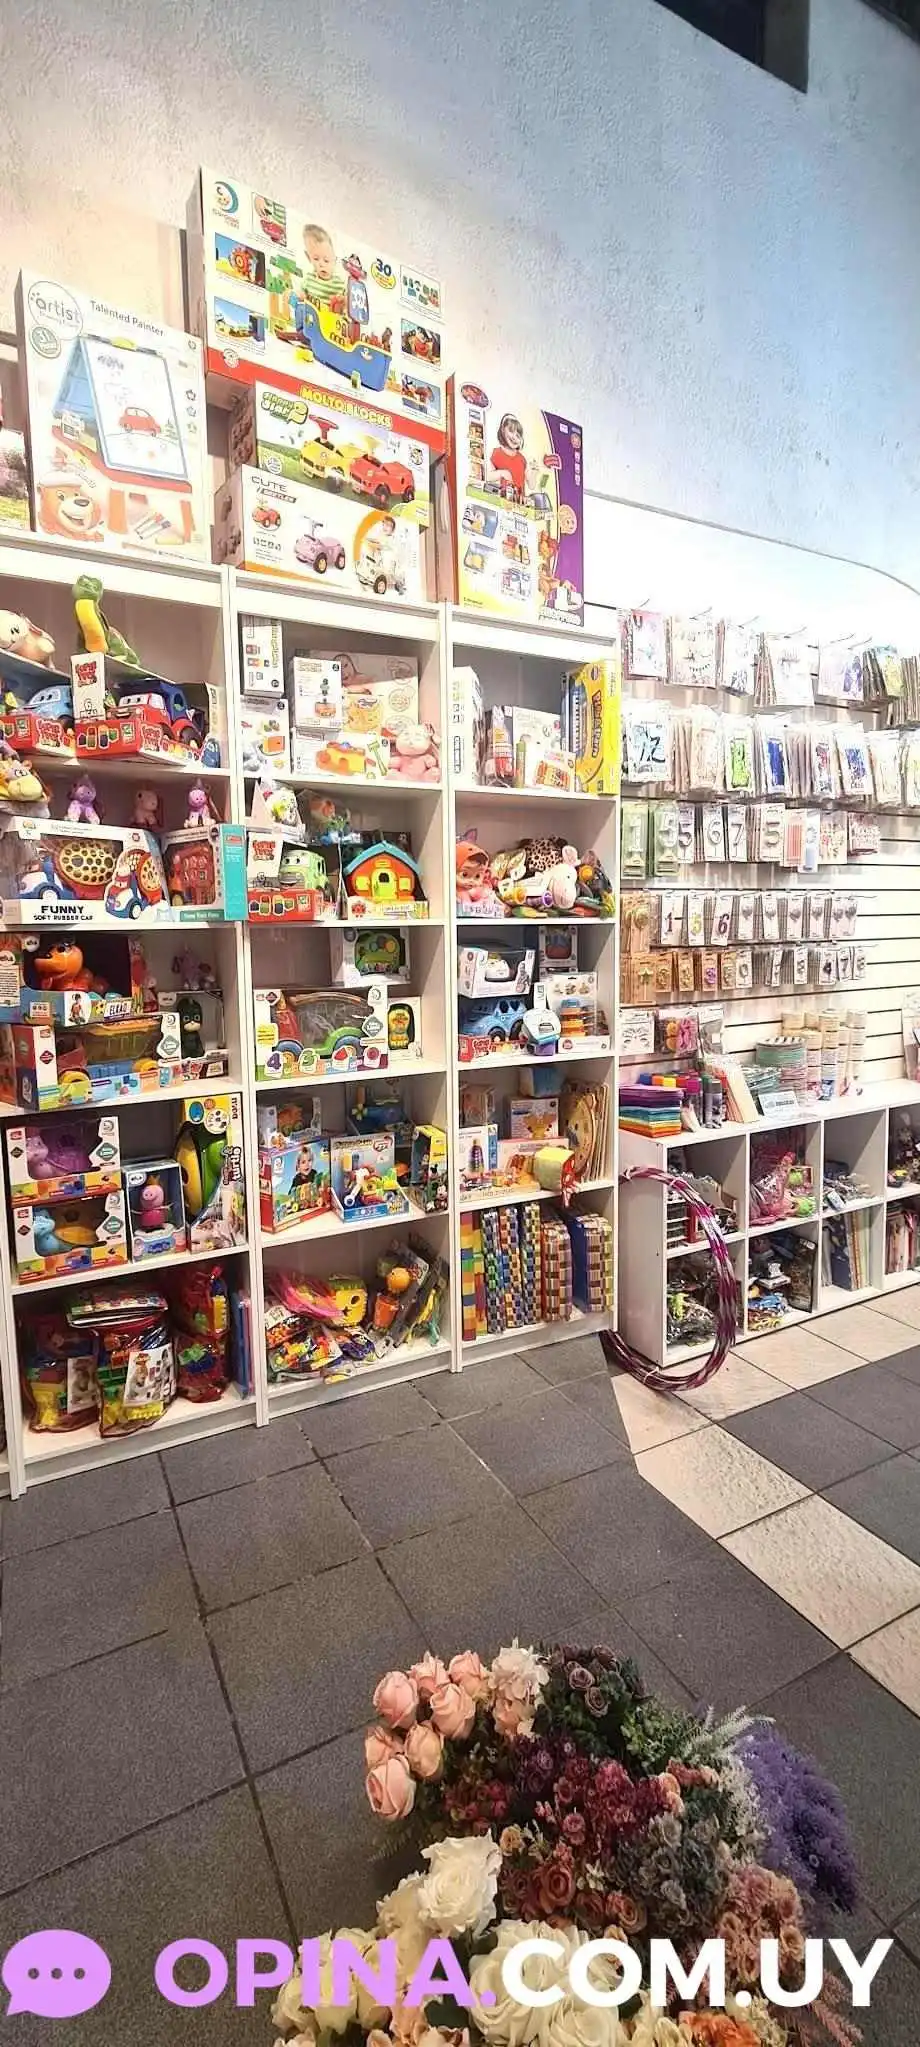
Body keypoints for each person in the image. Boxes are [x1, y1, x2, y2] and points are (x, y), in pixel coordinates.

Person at [301, 222, 346, 304]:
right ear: (309, 258)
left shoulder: (339, 284)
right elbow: (301, 295)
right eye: (316, 259)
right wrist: (301, 296)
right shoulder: (309, 279)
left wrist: (343, 301)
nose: (321, 264)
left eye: (326, 260)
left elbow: (346, 303)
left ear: (335, 260)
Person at [489, 412, 527, 497]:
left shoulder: (522, 459)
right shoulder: (496, 453)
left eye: (518, 436)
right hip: (501, 499)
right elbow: (487, 476)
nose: (514, 437)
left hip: (519, 501)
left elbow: (531, 485)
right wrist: (502, 473)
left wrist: (534, 472)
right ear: (502, 430)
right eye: (511, 431)